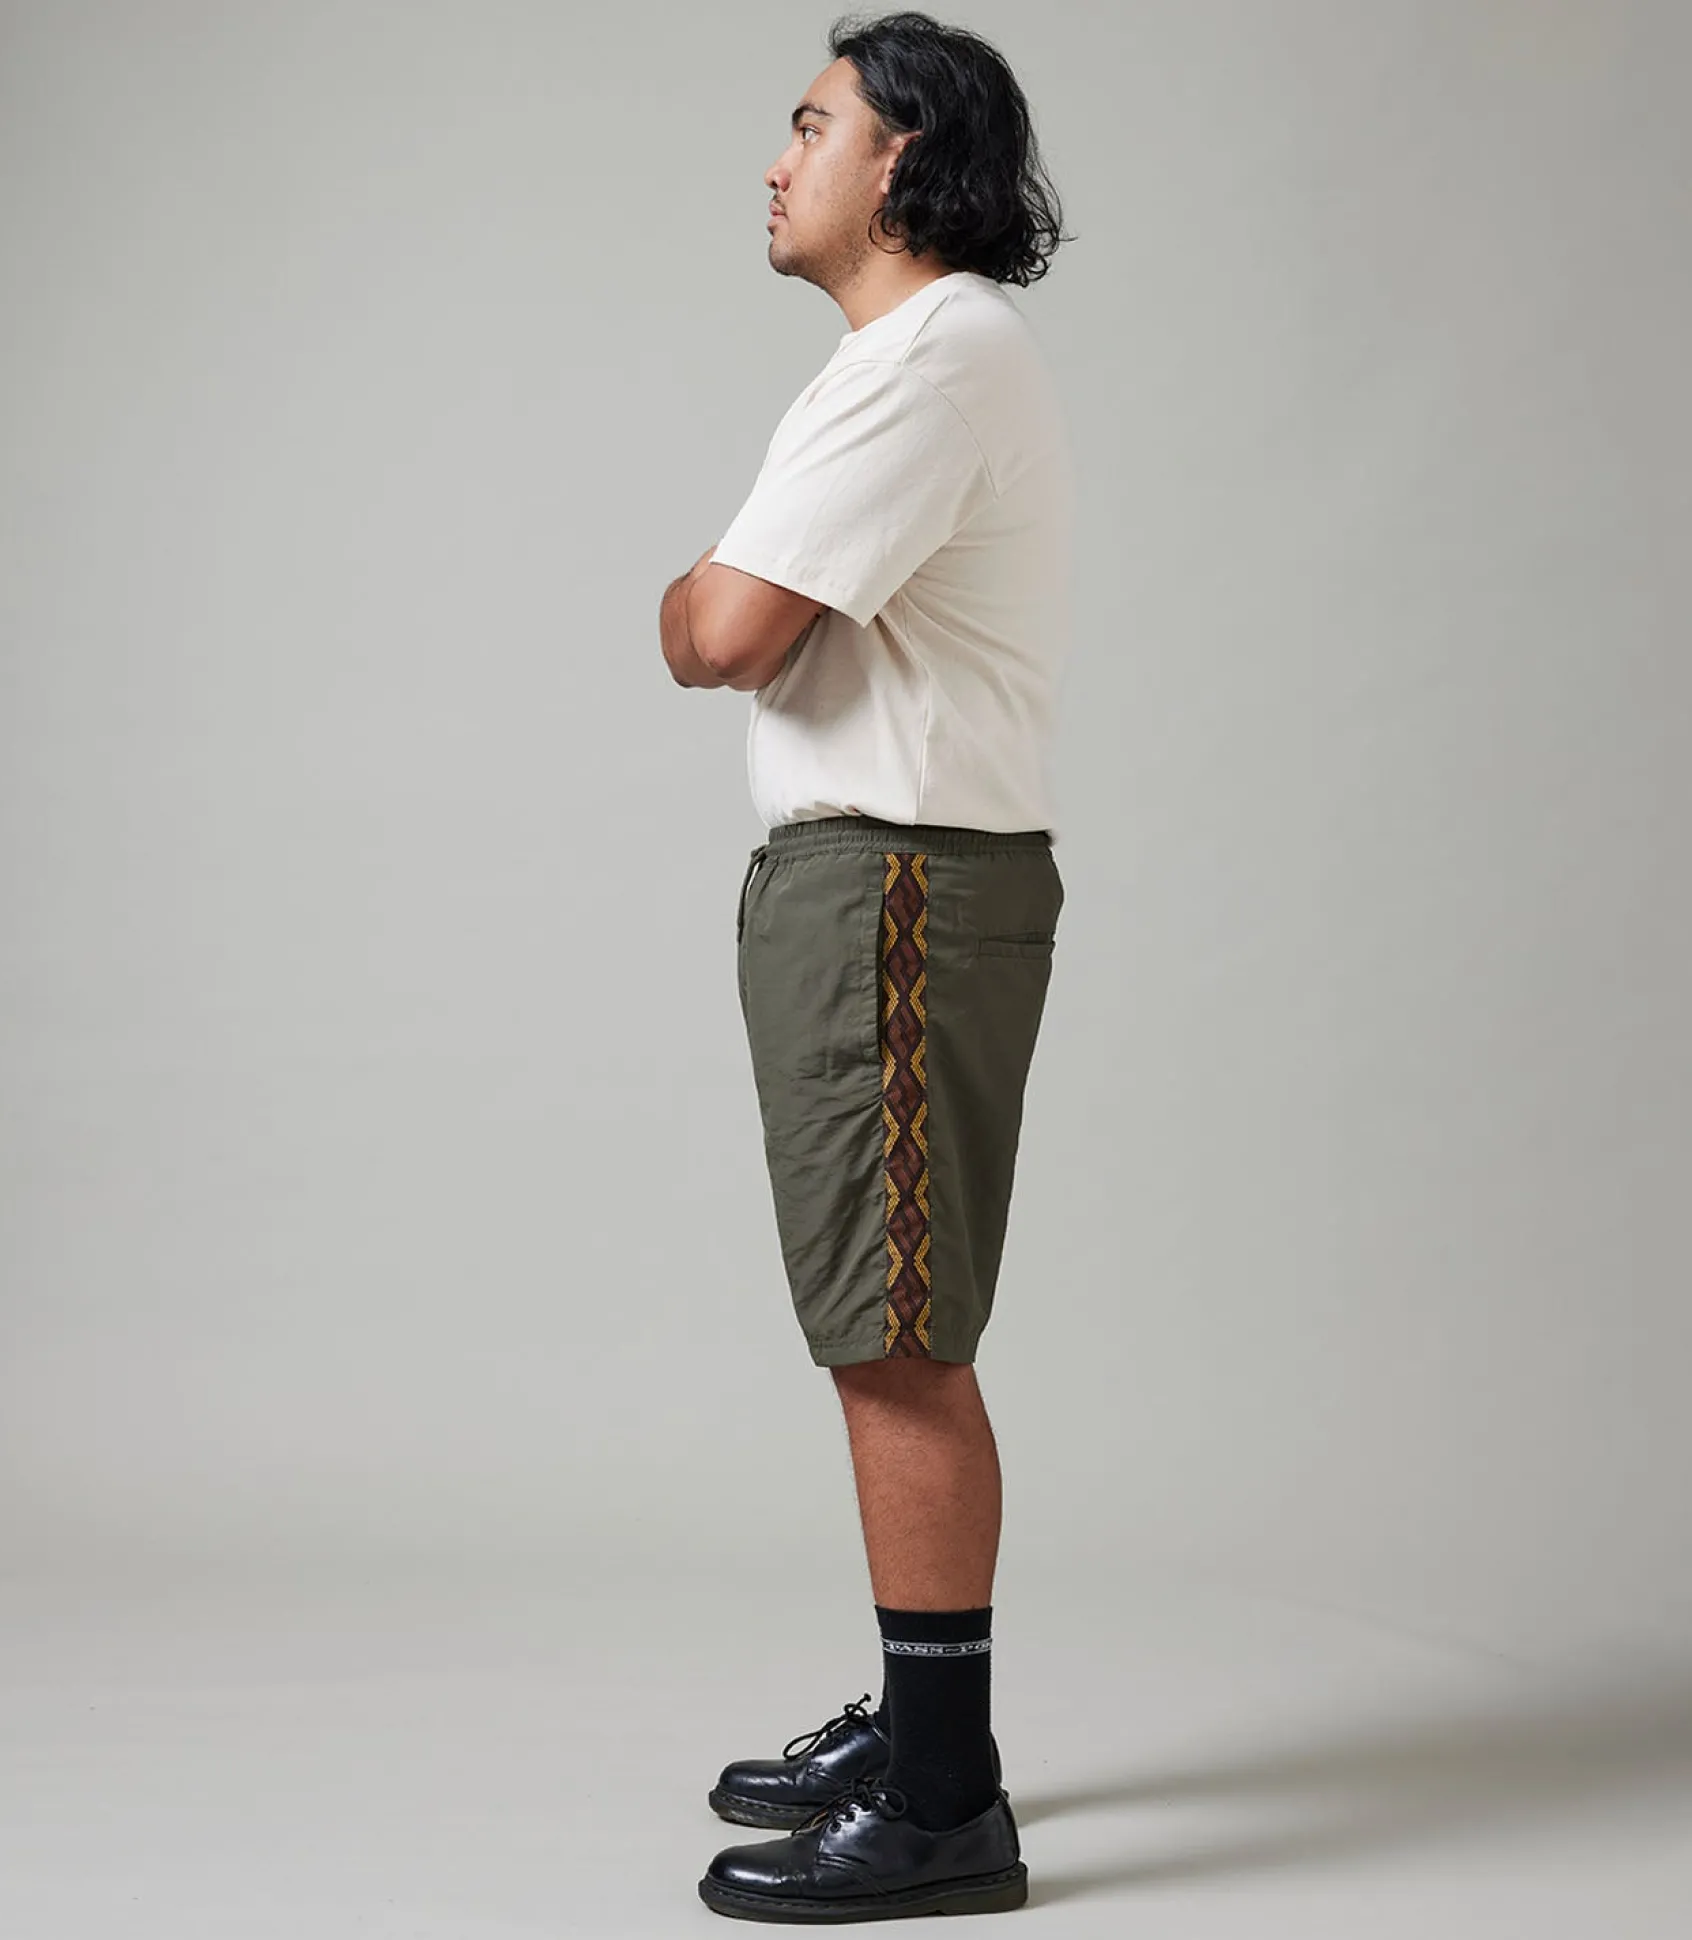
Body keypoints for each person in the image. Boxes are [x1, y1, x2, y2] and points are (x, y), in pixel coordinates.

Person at [657, 10, 1073, 1922]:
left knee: (895, 1335)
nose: (775, 160)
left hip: (898, 884)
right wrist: (723, 603)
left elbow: (726, 628)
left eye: (809, 125)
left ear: (902, 156)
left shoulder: (932, 358)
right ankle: (919, 1730)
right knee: (885, 1318)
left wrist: (695, 596)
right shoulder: (906, 363)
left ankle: (943, 1798)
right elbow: (758, 623)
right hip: (876, 882)